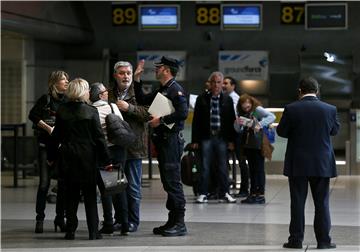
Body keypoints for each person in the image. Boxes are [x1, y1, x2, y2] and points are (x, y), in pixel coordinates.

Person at [277, 76, 339, 249]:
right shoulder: (330, 109)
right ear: (317, 90)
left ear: (299, 91)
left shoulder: (291, 108)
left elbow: (282, 132)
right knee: (322, 203)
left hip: (298, 163)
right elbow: (334, 131)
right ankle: (324, 241)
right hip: (322, 163)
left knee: (297, 202)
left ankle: (296, 240)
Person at [49, 78, 111, 240]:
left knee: (71, 195)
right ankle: (93, 231)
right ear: (83, 92)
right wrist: (107, 160)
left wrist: (51, 157)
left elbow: (56, 137)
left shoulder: (62, 110)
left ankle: (70, 231)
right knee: (90, 195)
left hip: (68, 156)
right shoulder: (91, 111)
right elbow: (99, 138)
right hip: (88, 157)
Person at [134, 56, 188, 236]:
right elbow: (142, 99)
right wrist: (137, 79)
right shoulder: (163, 89)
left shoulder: (175, 90)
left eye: (159, 68)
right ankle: (172, 221)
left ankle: (180, 223)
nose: (156, 70)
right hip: (164, 141)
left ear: (166, 70)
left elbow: (183, 113)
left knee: (173, 182)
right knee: (167, 182)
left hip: (172, 141)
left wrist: (162, 120)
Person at [108, 61, 150, 233]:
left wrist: (129, 107)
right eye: (122, 73)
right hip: (114, 148)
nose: (125, 76)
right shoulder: (108, 94)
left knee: (132, 187)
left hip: (134, 147)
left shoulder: (139, 92)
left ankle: (133, 221)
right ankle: (120, 219)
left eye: (128, 73)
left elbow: (149, 113)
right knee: (115, 187)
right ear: (115, 75)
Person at [28, 70, 68, 234]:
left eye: (67, 79)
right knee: (44, 184)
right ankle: (40, 218)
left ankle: (60, 218)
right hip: (45, 146)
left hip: (62, 148)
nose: (66, 82)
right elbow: (33, 116)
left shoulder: (68, 100)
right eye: (63, 80)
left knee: (62, 185)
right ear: (54, 83)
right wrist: (49, 128)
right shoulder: (46, 99)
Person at [89, 82, 129, 235]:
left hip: (102, 152)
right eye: (105, 91)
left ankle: (108, 223)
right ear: (100, 95)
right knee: (119, 187)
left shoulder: (91, 111)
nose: (107, 92)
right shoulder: (113, 107)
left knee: (106, 189)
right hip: (118, 150)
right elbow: (122, 126)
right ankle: (124, 224)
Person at [191, 71, 237, 204]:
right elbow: (196, 121)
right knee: (205, 166)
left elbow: (231, 121)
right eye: (214, 82)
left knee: (223, 166)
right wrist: (195, 140)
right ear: (209, 84)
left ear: (222, 84)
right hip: (206, 137)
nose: (216, 85)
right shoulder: (202, 98)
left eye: (219, 82)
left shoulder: (227, 99)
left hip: (222, 138)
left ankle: (225, 192)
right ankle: (203, 193)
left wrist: (231, 141)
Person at [234, 94, 275, 204]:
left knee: (259, 169)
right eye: (242, 103)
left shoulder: (257, 110)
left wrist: (259, 124)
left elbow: (272, 116)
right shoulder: (242, 113)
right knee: (252, 169)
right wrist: (238, 123)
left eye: (247, 102)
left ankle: (260, 194)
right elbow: (239, 130)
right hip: (248, 144)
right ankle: (252, 193)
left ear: (251, 102)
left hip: (258, 143)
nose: (245, 105)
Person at [222, 76, 249, 197]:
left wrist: (232, 139)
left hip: (237, 136)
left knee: (242, 162)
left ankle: (244, 189)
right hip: (231, 136)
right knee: (225, 162)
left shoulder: (235, 99)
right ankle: (224, 187)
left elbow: (233, 120)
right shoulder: (224, 98)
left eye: (226, 83)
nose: (223, 85)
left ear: (233, 86)